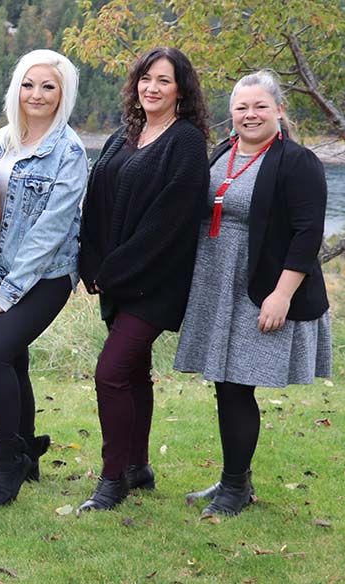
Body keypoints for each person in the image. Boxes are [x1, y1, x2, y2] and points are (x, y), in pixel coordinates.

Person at [174, 70, 331, 517]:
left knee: (238, 386)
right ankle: (232, 479)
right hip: (216, 283)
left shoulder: (297, 161)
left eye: (260, 106)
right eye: (241, 108)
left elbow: (307, 234)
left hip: (260, 286)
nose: (250, 115)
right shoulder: (221, 153)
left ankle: (236, 489)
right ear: (231, 115)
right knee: (225, 385)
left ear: (279, 109)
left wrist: (281, 295)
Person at [77, 47, 211, 511]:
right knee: (132, 373)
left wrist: (110, 271)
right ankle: (137, 467)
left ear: (181, 91)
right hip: (117, 278)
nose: (151, 88)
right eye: (146, 78)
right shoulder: (122, 136)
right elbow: (95, 203)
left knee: (110, 371)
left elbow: (167, 224)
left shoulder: (187, 143)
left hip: (155, 283)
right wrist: (89, 263)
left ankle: (111, 481)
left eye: (164, 81)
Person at [0, 50, 87, 506]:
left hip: (43, 277)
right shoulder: (3, 140)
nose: (36, 95)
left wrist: (14, 287)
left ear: (64, 95)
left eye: (48, 87)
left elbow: (54, 227)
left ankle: (6, 466)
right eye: (28, 85)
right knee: (13, 359)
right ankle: (28, 451)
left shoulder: (70, 151)